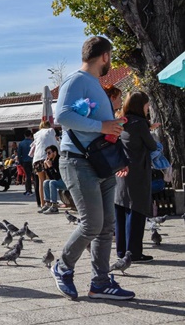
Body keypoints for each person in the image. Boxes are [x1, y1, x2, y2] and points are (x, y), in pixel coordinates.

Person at [52, 36, 134, 300]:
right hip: (78, 161)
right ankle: (62, 267)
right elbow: (62, 116)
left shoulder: (95, 85)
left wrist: (113, 124)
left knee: (106, 225)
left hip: (101, 162)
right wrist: (103, 126)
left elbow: (94, 121)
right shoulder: (76, 80)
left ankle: (100, 282)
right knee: (91, 224)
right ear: (105, 57)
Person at [114, 91, 159, 263]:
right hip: (137, 172)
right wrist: (150, 132)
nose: (148, 108)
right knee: (136, 210)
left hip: (121, 171)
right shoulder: (140, 123)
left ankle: (122, 251)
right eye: (147, 105)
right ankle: (134, 252)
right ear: (141, 105)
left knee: (122, 209)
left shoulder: (123, 120)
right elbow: (152, 145)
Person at [33, 121, 58, 207]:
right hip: (46, 157)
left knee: (41, 182)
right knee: (48, 180)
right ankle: (50, 203)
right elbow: (54, 143)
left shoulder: (36, 134)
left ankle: (43, 204)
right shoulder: (51, 131)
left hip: (36, 159)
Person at [39, 145, 66, 214]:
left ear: (55, 152)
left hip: (66, 182)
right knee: (45, 182)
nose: (47, 155)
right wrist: (46, 168)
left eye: (49, 153)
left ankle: (54, 206)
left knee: (52, 183)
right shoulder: (51, 161)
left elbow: (57, 177)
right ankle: (48, 204)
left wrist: (50, 167)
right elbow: (52, 177)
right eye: (46, 153)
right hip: (60, 181)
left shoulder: (59, 161)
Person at [17, 130, 34, 196]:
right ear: (30, 135)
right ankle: (36, 188)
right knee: (34, 176)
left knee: (28, 176)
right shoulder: (33, 142)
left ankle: (28, 190)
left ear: (24, 135)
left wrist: (21, 162)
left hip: (25, 161)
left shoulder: (21, 143)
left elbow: (19, 154)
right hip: (32, 161)